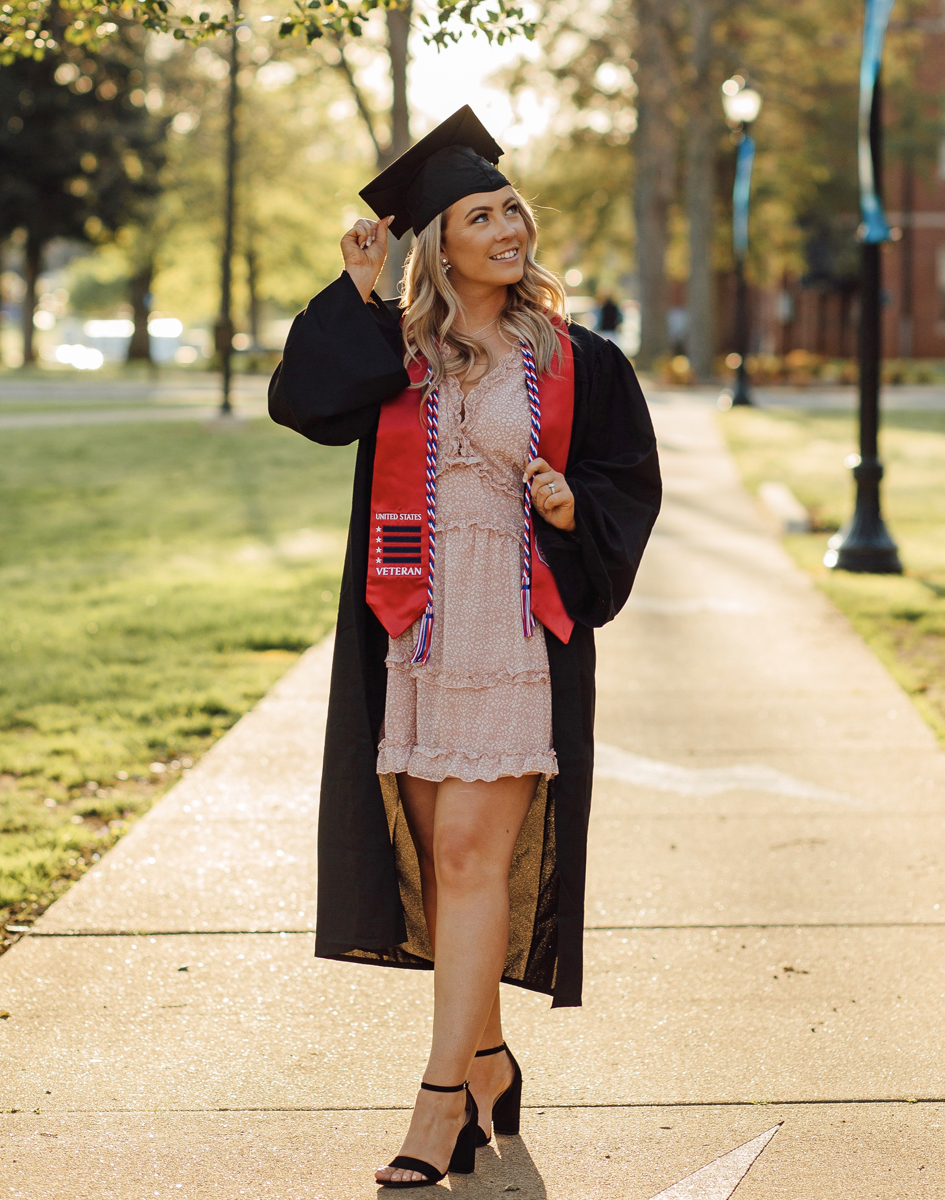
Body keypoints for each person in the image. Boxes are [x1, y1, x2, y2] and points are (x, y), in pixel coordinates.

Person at [268, 106, 661, 1188]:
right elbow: (306, 402)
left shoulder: (578, 360)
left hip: (513, 629)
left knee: (471, 859)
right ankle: (488, 1059)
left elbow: (628, 482)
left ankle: (439, 1104)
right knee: (447, 874)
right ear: (436, 244)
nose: (508, 229)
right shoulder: (401, 353)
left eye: (512, 210)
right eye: (480, 216)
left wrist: (571, 504)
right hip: (416, 629)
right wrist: (355, 289)